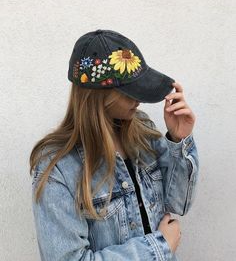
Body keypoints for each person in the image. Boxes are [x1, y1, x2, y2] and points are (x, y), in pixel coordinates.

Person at [30, 29, 199, 261]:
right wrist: (158, 248)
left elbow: (178, 203)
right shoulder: (58, 167)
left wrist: (178, 140)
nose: (139, 99)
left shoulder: (142, 132)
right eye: (130, 91)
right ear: (98, 96)